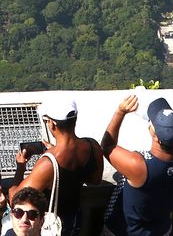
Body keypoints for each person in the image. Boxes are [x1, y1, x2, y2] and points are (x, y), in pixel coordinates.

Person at [99, 95, 173, 236]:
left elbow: (107, 146)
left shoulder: (139, 165)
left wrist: (120, 112)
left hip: (124, 231)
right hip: (161, 231)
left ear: (155, 136)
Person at [7, 98, 104, 236]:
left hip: (51, 227)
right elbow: (95, 180)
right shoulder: (93, 146)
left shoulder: (48, 164)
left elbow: (15, 200)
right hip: (75, 220)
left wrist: (20, 167)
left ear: (52, 124)